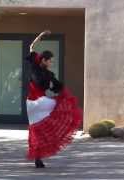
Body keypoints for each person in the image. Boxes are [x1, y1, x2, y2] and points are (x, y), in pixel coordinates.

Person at [26, 30, 82, 168]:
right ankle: (45, 147)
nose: (51, 63)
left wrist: (40, 36)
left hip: (30, 104)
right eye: (50, 60)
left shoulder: (37, 67)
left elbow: (31, 47)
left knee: (36, 130)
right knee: (65, 109)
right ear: (43, 60)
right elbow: (58, 87)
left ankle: (38, 158)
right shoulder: (47, 73)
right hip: (40, 102)